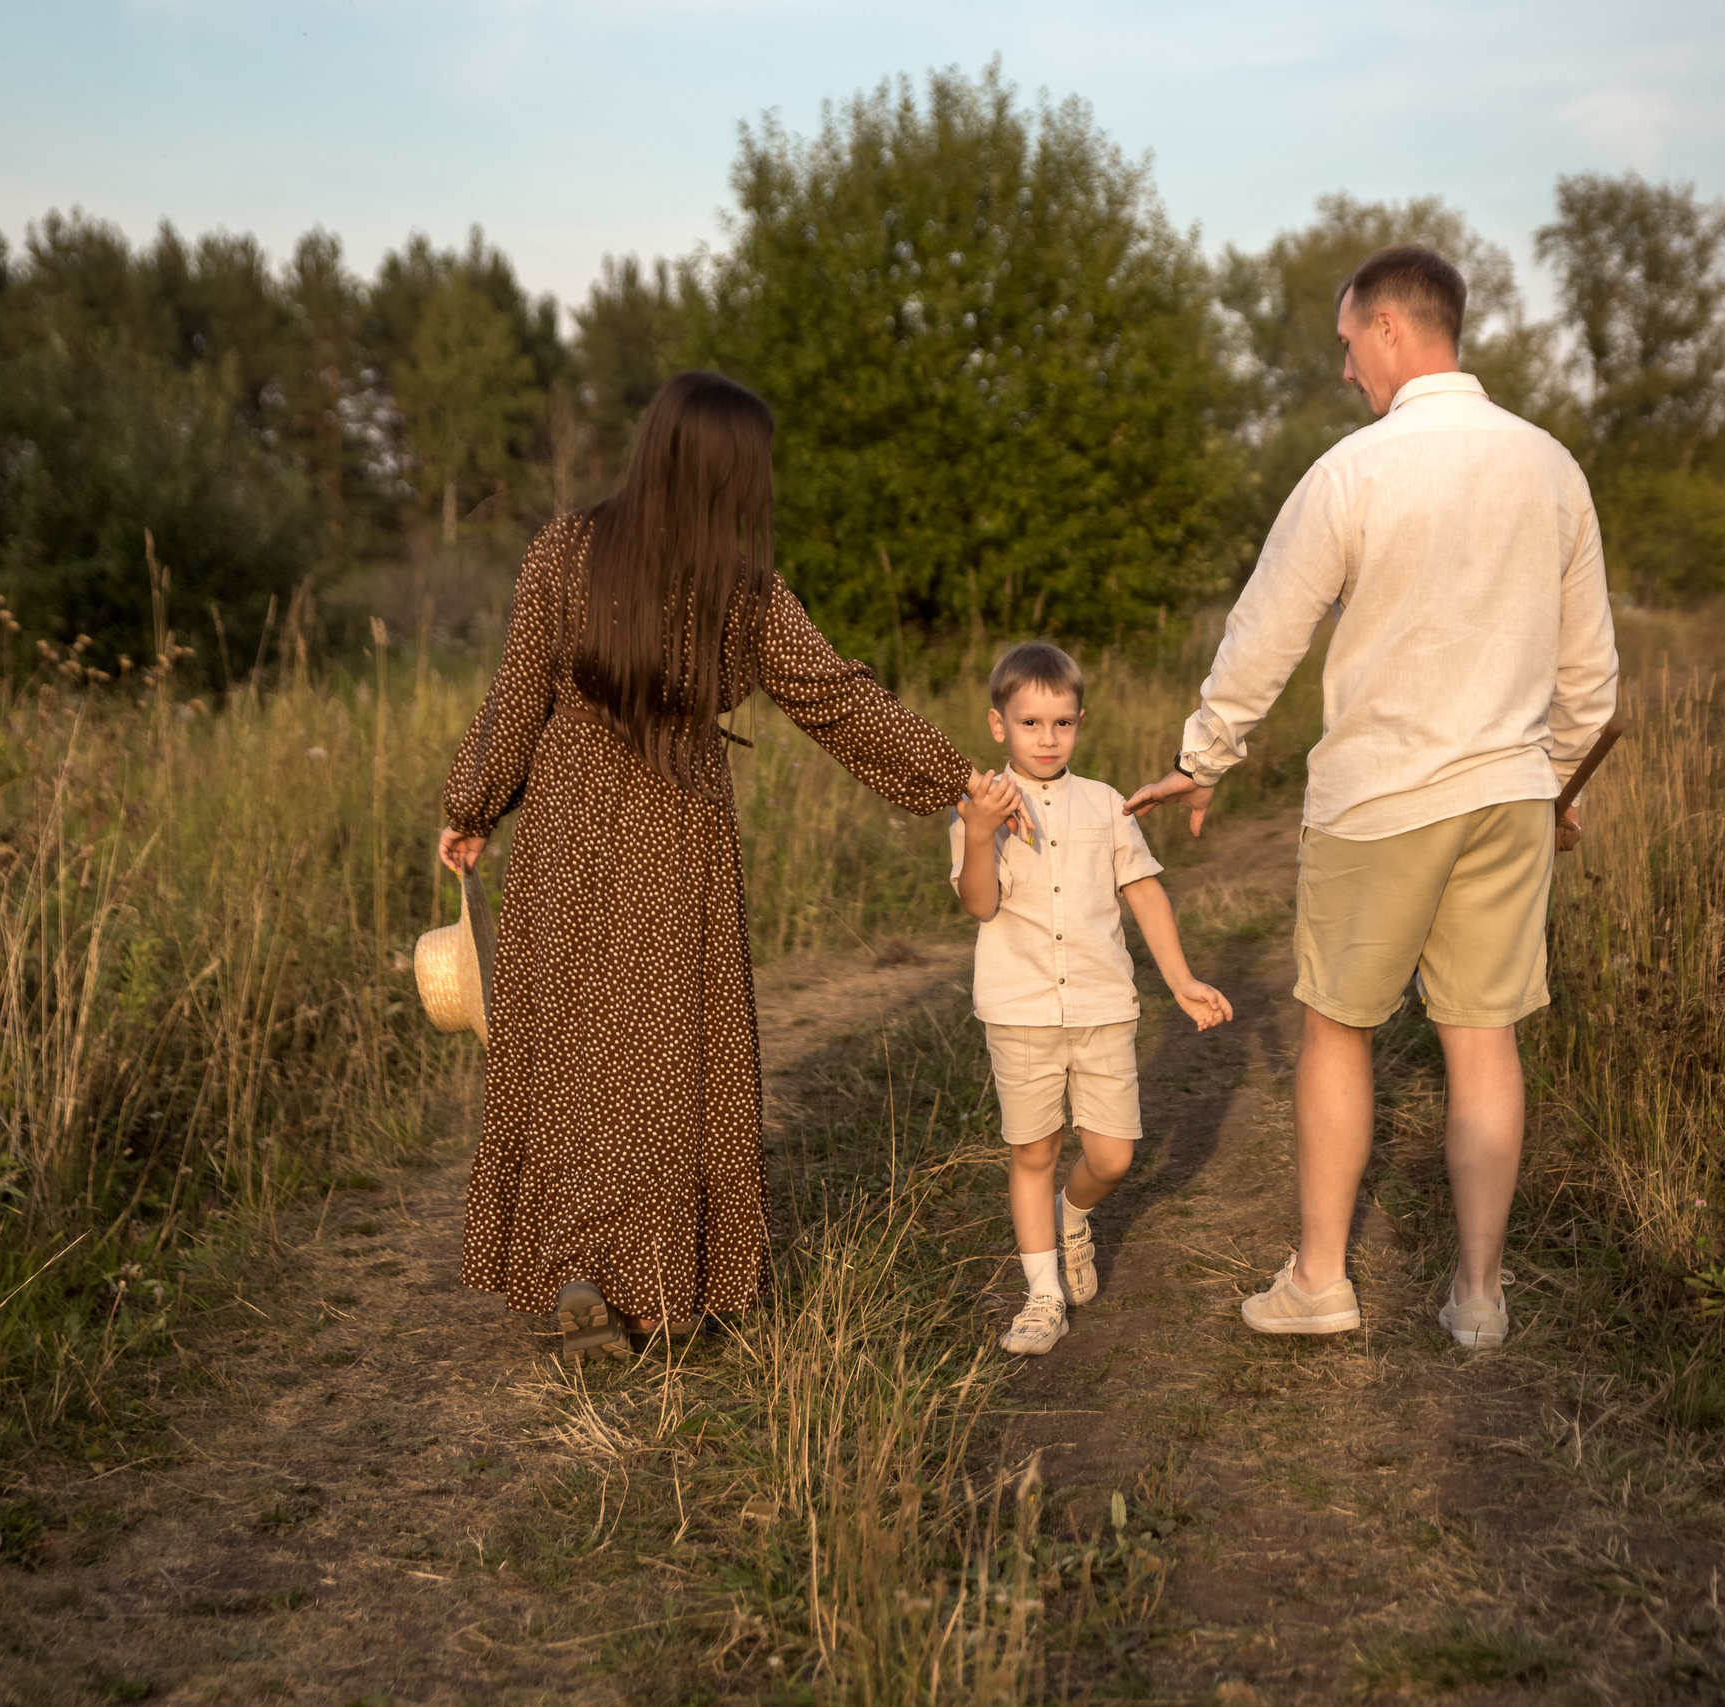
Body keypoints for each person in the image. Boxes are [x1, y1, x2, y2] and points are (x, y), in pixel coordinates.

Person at [436, 370, 990, 1361]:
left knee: (568, 1053)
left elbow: (517, 690)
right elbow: (838, 700)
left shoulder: (565, 550)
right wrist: (955, 780)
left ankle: (587, 1272)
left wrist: (473, 805)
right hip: (674, 833)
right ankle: (660, 1293)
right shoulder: (744, 590)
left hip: (566, 831)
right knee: (667, 1061)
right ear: (729, 469)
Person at [1123, 244, 1618, 1349]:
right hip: (1506, 795)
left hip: (1380, 799)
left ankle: (1318, 1281)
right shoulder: (1551, 467)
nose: (1346, 370)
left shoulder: (1354, 471)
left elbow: (1267, 629)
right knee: (1483, 1038)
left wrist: (1206, 755)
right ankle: (1479, 1298)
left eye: (1348, 343)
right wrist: (1563, 785)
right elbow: (1589, 671)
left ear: (1391, 329)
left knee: (1337, 1032)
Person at [953, 642, 1234, 1356]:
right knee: (1033, 1148)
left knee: (1112, 1155)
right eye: (1030, 723)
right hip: (1019, 1010)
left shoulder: (1107, 804)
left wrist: (1181, 980)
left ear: (1080, 722)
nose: (1047, 739)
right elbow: (980, 905)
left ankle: (1070, 1215)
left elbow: (1143, 891)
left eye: (1063, 723)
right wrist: (982, 834)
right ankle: (1042, 1293)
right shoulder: (977, 811)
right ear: (998, 725)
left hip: (1105, 1006)